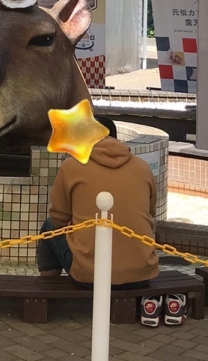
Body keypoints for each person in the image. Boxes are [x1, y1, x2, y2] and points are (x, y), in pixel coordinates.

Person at [36, 134, 182, 326]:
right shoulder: (142, 167)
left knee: (49, 227)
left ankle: (48, 286)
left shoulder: (71, 166)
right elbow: (151, 213)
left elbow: (58, 219)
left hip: (90, 277)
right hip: (141, 275)